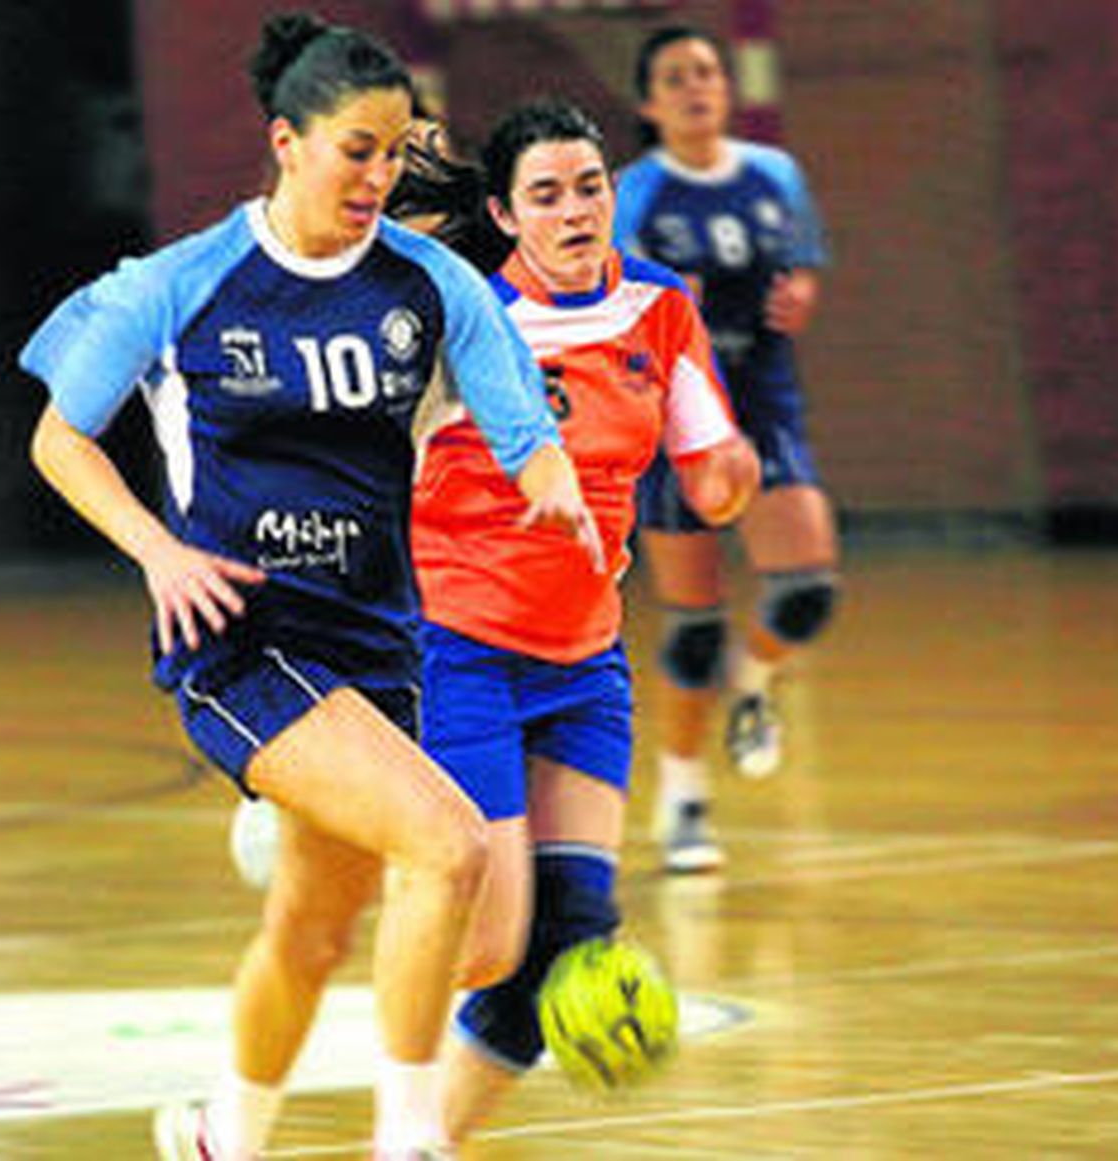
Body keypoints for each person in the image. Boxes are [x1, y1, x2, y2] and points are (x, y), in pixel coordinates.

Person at [21, 15, 599, 1161]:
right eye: (356, 150)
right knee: (447, 847)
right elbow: (59, 439)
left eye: (394, 152)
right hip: (239, 636)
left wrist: (556, 488)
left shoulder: (430, 285)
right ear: (287, 143)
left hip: (373, 646)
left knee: (312, 930)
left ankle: (218, 1140)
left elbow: (524, 429)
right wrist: (159, 551)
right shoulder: (181, 284)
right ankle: (409, 1138)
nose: (378, 177)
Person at [390, 99, 759, 1144]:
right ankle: (357, 835)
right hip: (460, 647)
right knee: (490, 945)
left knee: (571, 935)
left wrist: (732, 477)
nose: (575, 211)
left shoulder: (659, 308)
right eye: (546, 195)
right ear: (505, 216)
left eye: (590, 188)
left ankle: (424, 1144)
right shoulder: (464, 321)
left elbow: (709, 473)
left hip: (585, 660)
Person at [616, 24, 840, 873]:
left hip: (762, 400)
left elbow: (802, 266)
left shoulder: (775, 172)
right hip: (672, 412)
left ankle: (752, 682)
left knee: (806, 591)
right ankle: (683, 798)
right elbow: (606, 304)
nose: (695, 87)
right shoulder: (635, 193)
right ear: (649, 103)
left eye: (706, 72)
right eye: (675, 78)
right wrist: (661, 305)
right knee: (694, 628)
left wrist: (801, 295)